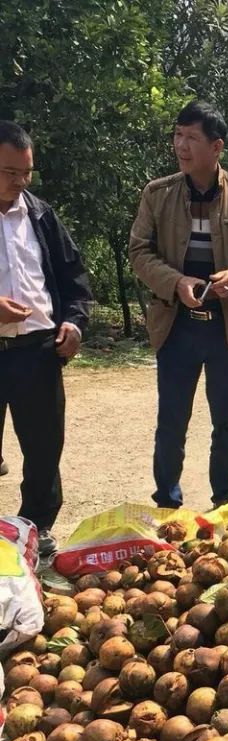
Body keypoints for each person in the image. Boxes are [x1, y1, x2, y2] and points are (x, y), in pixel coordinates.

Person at [129, 100, 228, 509]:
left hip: (226, 326)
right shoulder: (157, 195)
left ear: (217, 147)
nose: (182, 145)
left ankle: (224, 501)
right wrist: (175, 282)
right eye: (178, 134)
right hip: (176, 324)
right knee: (172, 420)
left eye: (192, 137)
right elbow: (139, 252)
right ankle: (167, 501)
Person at [0, 121, 92, 556]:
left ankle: (36, 529)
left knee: (43, 448)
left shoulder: (39, 214)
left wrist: (74, 323)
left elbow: (75, 278)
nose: (20, 182)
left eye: (26, 173)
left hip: (37, 352)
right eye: (9, 172)